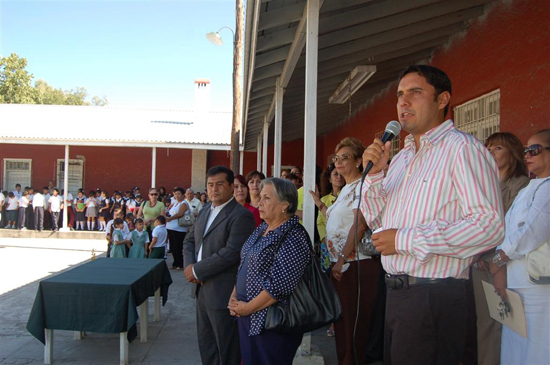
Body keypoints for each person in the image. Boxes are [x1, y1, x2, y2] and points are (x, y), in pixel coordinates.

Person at [360, 65, 504, 364]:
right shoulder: (400, 159)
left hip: (434, 296)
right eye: (400, 95)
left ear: (442, 100)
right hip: (396, 293)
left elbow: (489, 226)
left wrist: (406, 239)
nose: (403, 102)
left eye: (415, 92)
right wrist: (374, 176)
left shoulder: (463, 149)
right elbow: (378, 225)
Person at [312, 138, 382, 365]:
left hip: (357, 265)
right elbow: (336, 219)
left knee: (354, 325)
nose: (338, 162)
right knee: (342, 322)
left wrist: (342, 258)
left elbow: (359, 225)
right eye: (336, 158)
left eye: (345, 157)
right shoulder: (345, 190)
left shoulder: (363, 186)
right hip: (340, 265)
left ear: (360, 161)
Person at [228, 178, 310, 364]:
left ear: (284, 205)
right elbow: (245, 265)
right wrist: (234, 296)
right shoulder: (263, 228)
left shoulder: (293, 235)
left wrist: (248, 307)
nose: (259, 202)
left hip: (272, 321)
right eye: (260, 197)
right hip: (247, 314)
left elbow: (280, 286)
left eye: (266, 198)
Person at [183, 166, 256, 365]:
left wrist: (197, 270)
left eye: (219, 185)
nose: (214, 190)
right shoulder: (206, 209)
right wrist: (189, 267)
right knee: (207, 347)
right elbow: (189, 240)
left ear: (232, 187)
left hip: (224, 293)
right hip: (201, 292)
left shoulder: (241, 216)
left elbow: (231, 253)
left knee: (227, 350)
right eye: (210, 185)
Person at [490, 129, 550, 365]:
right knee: (515, 347)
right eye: (526, 150)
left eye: (534, 150)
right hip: (517, 283)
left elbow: (532, 230)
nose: (528, 154)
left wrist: (498, 260)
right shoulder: (531, 187)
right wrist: (501, 265)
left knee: (538, 348)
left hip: (538, 287)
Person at [471, 132, 530, 365]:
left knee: (510, 323)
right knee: (485, 322)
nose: (491, 153)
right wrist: (476, 256)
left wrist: (496, 259)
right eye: (488, 148)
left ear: (512, 153)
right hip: (480, 262)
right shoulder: (484, 184)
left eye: (497, 148)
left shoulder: (521, 185)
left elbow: (512, 227)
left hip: (505, 263)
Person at [166, 187, 189, 270]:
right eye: (175, 194)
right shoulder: (174, 203)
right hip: (170, 227)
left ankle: (180, 264)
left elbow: (180, 214)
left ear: (183, 195)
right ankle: (175, 262)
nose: (177, 195)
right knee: (173, 247)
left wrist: (170, 218)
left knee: (178, 246)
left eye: (179, 193)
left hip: (179, 229)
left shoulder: (183, 203)